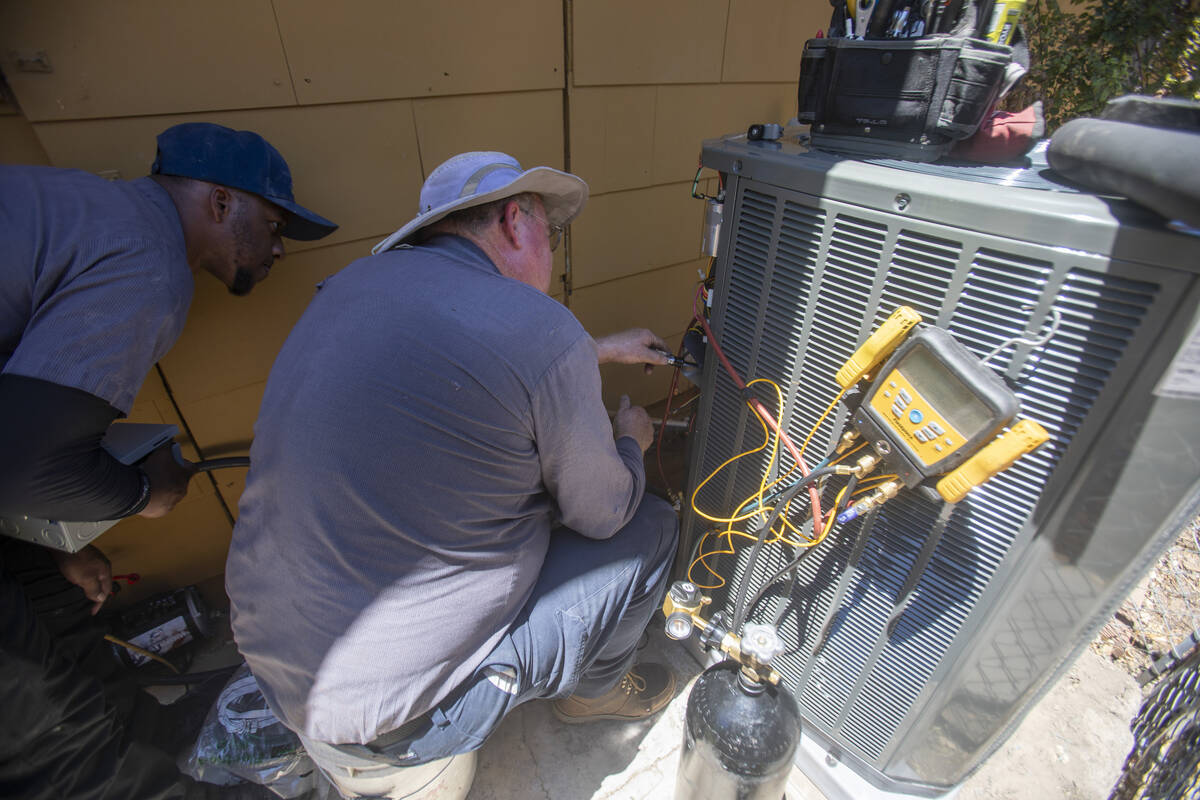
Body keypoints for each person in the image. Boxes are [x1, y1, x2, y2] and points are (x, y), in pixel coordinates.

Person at [226, 151, 681, 797]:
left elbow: (454, 371)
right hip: (394, 721)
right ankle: (596, 695)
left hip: (275, 656)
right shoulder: (540, 328)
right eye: (550, 236)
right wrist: (631, 443)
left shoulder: (349, 286)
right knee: (651, 524)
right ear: (515, 221)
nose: (550, 255)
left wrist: (593, 350)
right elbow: (600, 513)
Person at [0, 122, 337, 800]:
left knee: (51, 605)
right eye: (271, 225)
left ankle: (155, 729)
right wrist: (139, 495)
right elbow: (25, 469)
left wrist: (58, 543)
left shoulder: (78, 209)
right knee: (54, 746)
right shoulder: (151, 264)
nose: (275, 249)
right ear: (218, 202)